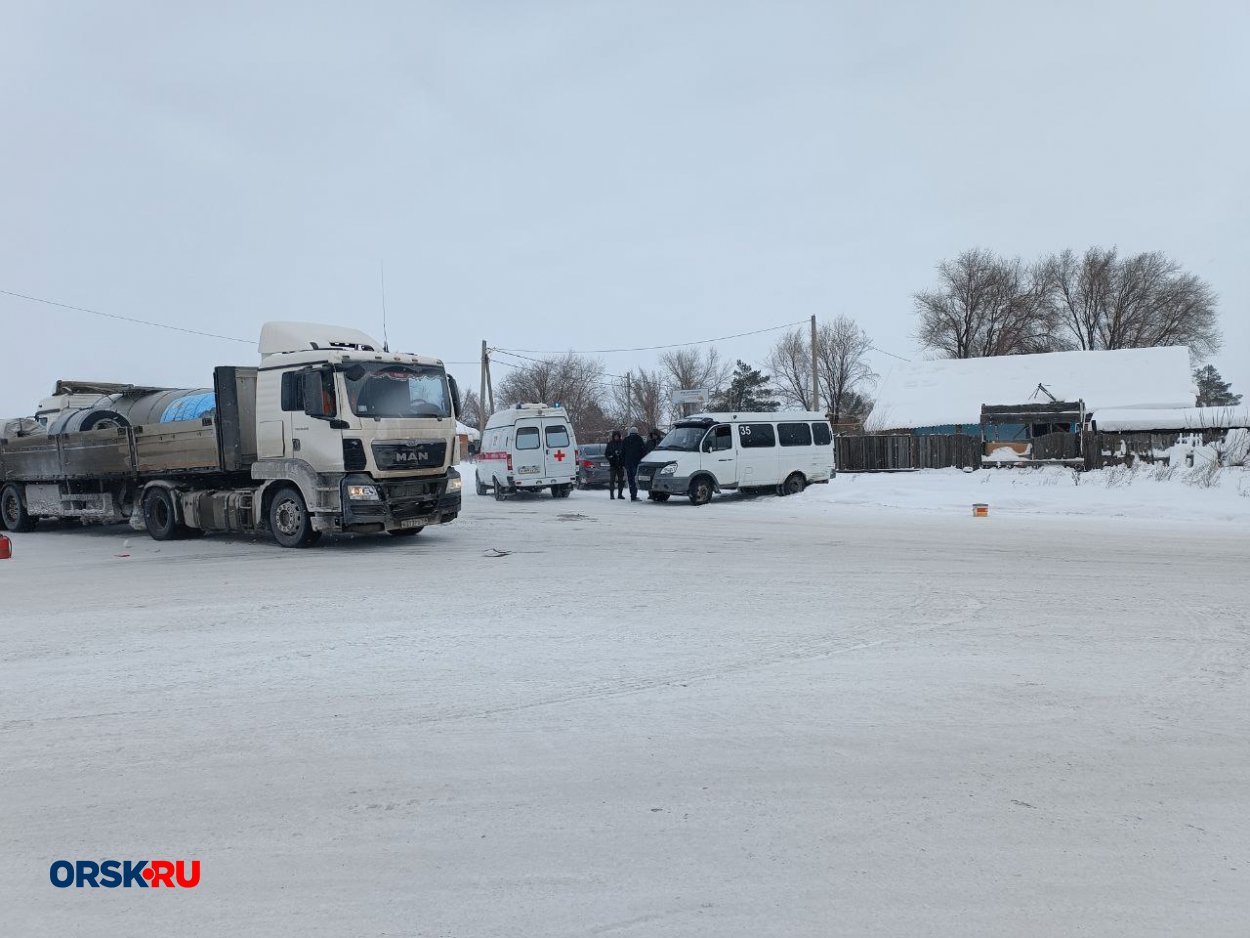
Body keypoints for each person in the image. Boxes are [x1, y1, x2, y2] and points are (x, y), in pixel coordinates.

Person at [621, 426, 647, 501]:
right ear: (637, 432)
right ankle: (634, 495)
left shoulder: (626, 440)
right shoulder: (639, 439)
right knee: (635, 478)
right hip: (636, 462)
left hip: (628, 463)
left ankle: (632, 494)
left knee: (630, 479)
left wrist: (623, 463)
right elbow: (643, 451)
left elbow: (622, 452)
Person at [604, 430, 625, 499]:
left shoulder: (622, 443)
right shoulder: (610, 444)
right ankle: (611, 495)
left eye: (617, 436)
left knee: (621, 481)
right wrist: (612, 456)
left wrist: (621, 455)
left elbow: (625, 453)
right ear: (613, 437)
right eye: (615, 436)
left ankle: (620, 494)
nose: (616, 437)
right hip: (613, 464)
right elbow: (607, 454)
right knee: (612, 480)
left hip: (620, 464)